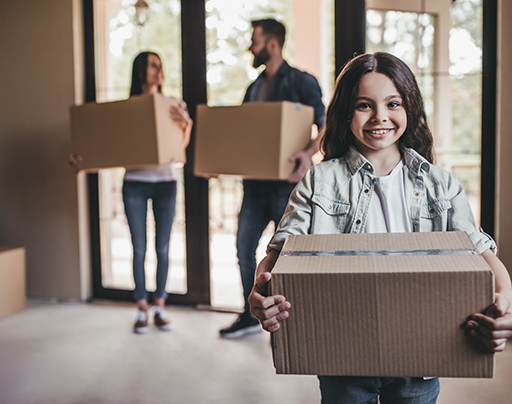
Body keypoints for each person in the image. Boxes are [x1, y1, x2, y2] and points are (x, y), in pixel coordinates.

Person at [248, 52, 512, 403]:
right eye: (365, 105)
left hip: (422, 355)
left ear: (410, 109)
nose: (380, 116)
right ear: (346, 111)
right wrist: (260, 291)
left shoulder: (441, 185)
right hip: (342, 356)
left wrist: (507, 304)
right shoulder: (319, 181)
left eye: (393, 103)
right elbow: (281, 251)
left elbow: (481, 253)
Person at [219, 18, 326, 339]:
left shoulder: (302, 82)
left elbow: (326, 125)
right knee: (243, 249)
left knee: (289, 256)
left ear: (273, 44)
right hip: (253, 187)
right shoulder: (253, 88)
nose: (251, 47)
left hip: (286, 188)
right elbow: (243, 134)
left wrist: (307, 154)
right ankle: (250, 312)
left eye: (255, 40)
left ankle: (290, 318)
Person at [71, 51, 192, 334]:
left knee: (163, 247)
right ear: (140, 71)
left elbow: (180, 150)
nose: (158, 70)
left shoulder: (173, 105)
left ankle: (159, 304)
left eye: (160, 65)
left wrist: (187, 125)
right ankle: (141, 307)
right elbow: (102, 142)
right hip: (135, 183)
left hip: (166, 183)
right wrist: (82, 158)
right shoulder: (125, 110)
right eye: (152, 65)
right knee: (139, 248)